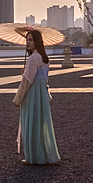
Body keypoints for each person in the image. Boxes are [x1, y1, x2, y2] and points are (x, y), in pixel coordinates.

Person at [12, 29, 60, 165]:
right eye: (27, 40)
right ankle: (43, 154)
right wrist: (26, 70)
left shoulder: (33, 58)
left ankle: (33, 156)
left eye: (31, 40)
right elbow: (41, 77)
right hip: (41, 92)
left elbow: (26, 82)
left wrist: (18, 99)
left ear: (37, 42)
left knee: (31, 123)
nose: (28, 42)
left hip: (32, 92)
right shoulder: (44, 58)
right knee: (40, 123)